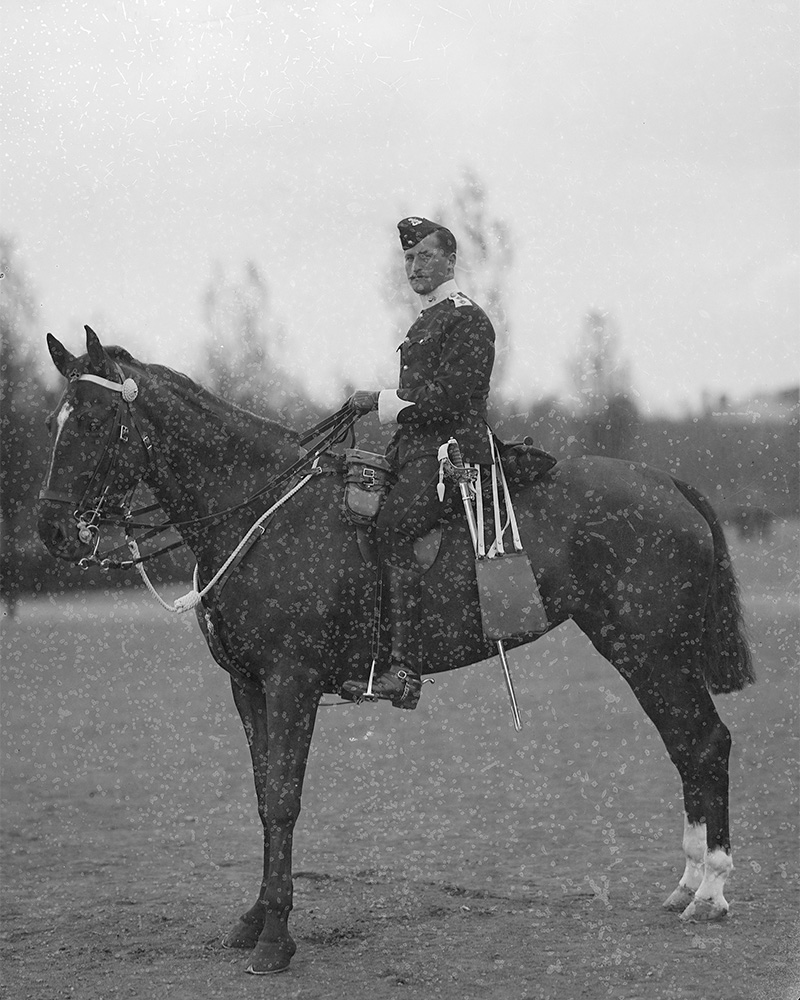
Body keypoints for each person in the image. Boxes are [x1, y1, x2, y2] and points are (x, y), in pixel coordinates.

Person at [342, 216, 496, 709]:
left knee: (392, 528)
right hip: (416, 452)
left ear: (450, 261)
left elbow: (449, 399)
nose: (414, 266)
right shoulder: (428, 318)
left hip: (455, 455)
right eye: (408, 258)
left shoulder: (466, 317)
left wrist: (382, 401)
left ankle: (405, 670)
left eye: (424, 256)